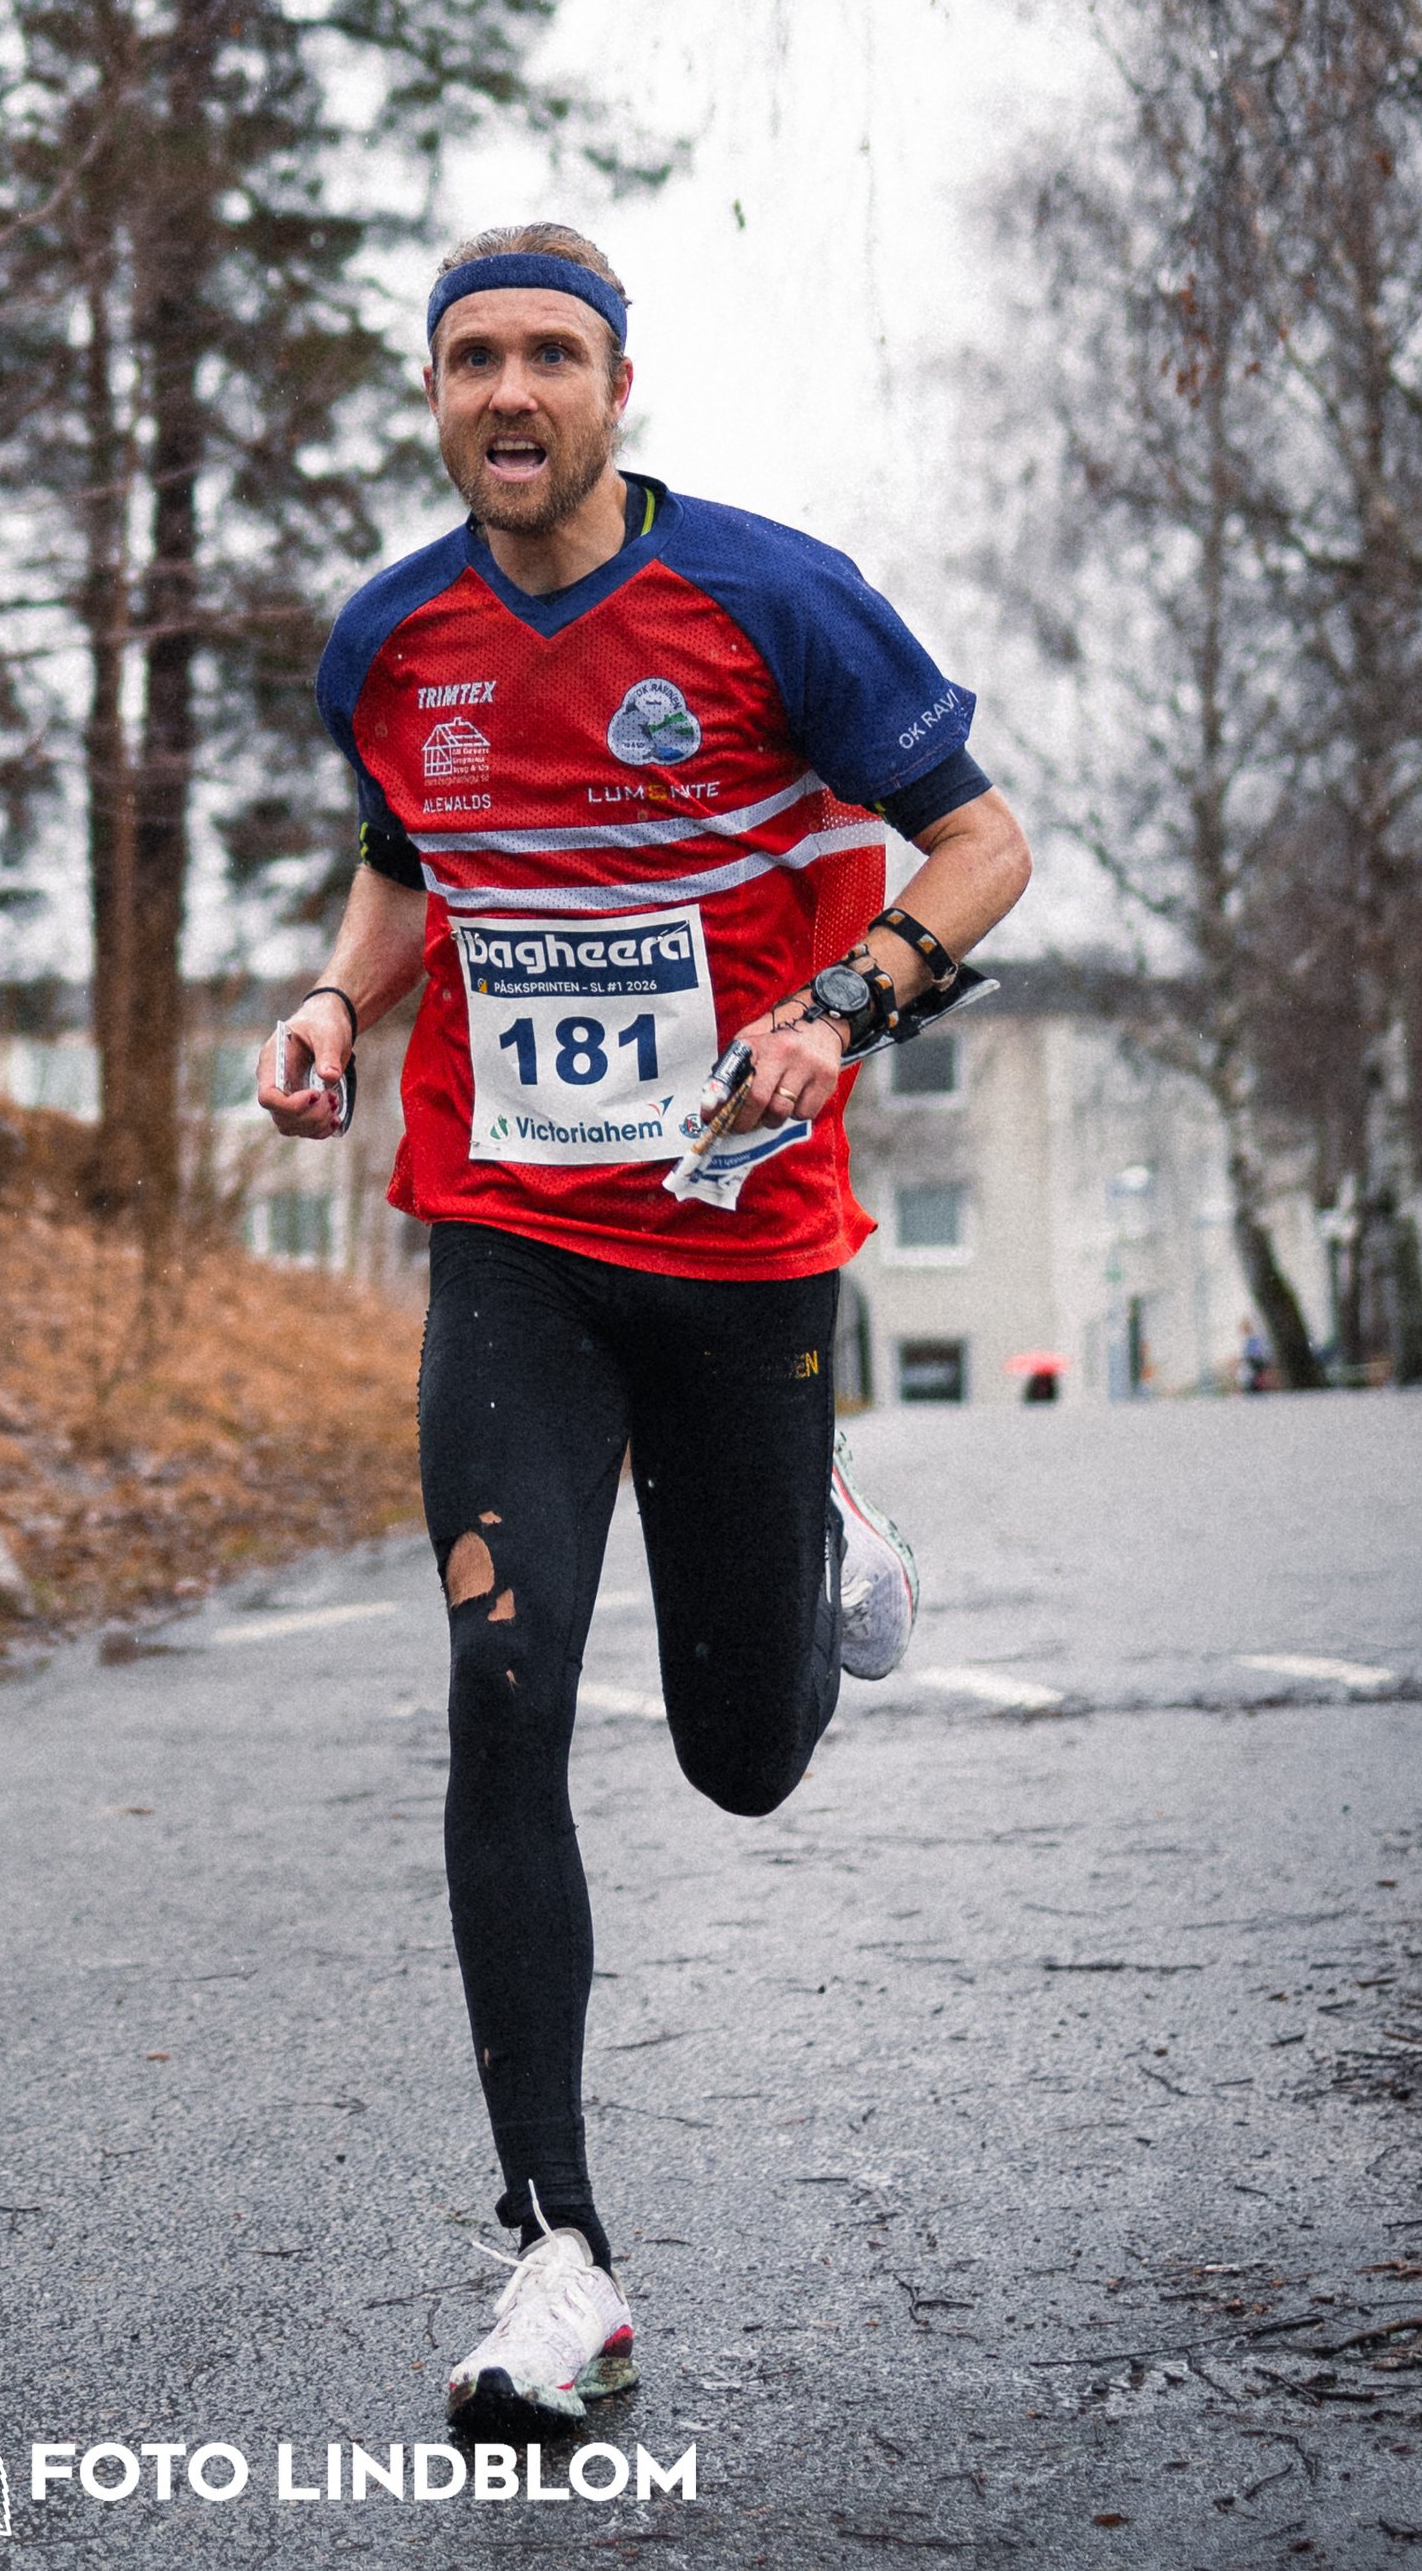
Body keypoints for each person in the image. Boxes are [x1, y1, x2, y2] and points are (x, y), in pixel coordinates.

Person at [257, 224, 1032, 2439]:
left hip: (741, 1240)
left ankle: (805, 1526)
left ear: (617, 387)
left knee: (740, 1756)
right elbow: (406, 864)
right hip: (507, 1237)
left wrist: (844, 1002)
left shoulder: (771, 601)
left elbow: (974, 846)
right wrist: (332, 998)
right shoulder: (385, 639)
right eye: (470, 360)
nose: (509, 394)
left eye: (550, 358)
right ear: (433, 394)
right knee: (498, 1689)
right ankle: (556, 2258)